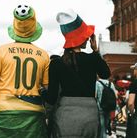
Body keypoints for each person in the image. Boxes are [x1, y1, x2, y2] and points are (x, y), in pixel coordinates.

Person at [0, 4, 50, 138]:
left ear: (15, 27)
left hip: (3, 113)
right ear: (34, 28)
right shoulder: (43, 55)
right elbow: (48, 89)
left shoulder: (2, 51)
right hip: (33, 116)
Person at [41, 9, 111, 138]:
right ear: (84, 38)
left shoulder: (56, 63)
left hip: (64, 116)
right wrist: (95, 50)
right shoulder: (92, 58)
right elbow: (106, 74)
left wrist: (41, 91)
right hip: (90, 115)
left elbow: (51, 98)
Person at [126, 62, 137, 138]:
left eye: (135, 69)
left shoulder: (134, 84)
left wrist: (131, 112)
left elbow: (130, 103)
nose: (134, 71)